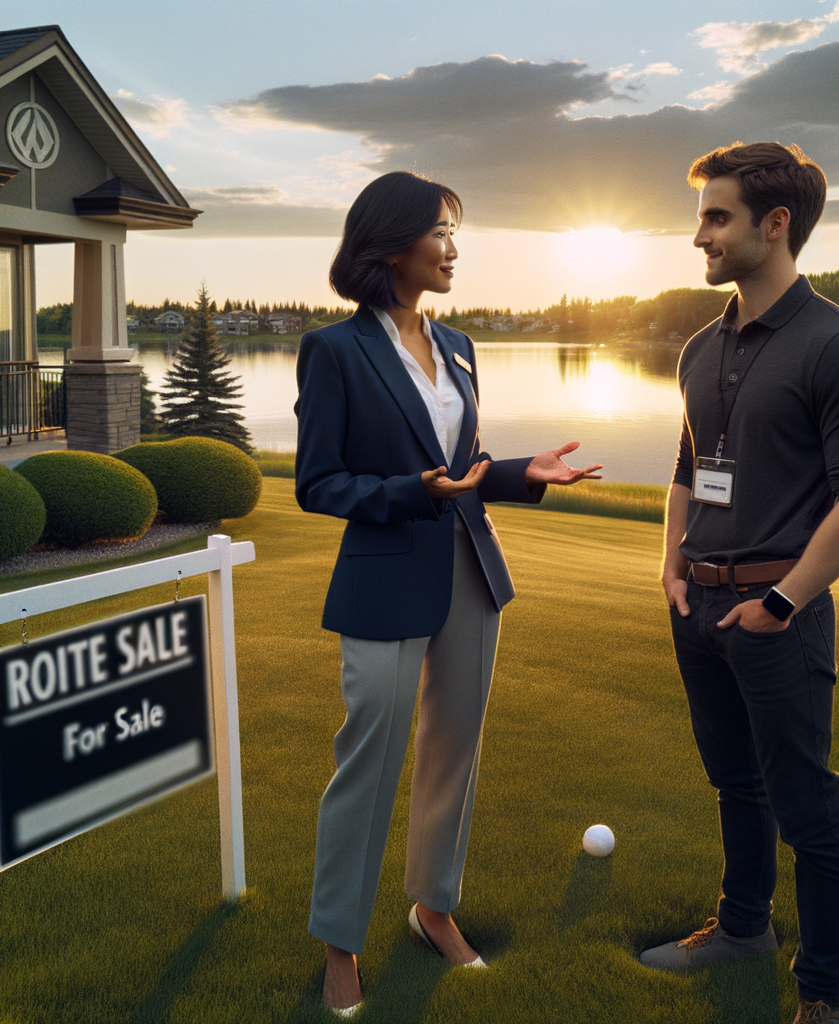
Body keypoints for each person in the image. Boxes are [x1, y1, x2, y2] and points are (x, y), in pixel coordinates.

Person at [294, 171, 603, 1016]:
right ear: (390, 243)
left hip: (472, 570)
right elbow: (318, 483)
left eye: (454, 233)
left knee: (452, 756)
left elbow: (461, 467)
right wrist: (409, 492)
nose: (453, 248)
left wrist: (516, 473)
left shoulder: (461, 346)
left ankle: (434, 909)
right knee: (370, 761)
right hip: (384, 579)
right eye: (439, 232)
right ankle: (341, 944)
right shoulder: (335, 351)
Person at [638, 142, 839, 1024]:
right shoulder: (701, 348)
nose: (699, 236)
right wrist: (669, 559)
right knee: (733, 784)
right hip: (697, 602)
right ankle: (743, 927)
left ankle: (824, 997)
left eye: (717, 217)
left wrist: (784, 602)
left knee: (807, 805)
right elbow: (688, 462)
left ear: (775, 225)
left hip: (776, 613)